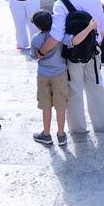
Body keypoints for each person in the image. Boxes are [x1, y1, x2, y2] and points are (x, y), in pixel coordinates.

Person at [49, 0, 104, 133]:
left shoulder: (60, 4)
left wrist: (42, 51)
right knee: (97, 88)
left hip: (72, 55)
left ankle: (78, 129)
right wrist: (95, 44)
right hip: (93, 52)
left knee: (74, 92)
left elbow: (57, 35)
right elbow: (100, 26)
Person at [30, 11, 70, 146]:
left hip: (43, 75)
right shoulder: (58, 35)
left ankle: (46, 134)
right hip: (60, 73)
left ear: (37, 26)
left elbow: (34, 56)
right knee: (60, 106)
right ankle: (61, 135)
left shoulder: (36, 39)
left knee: (46, 106)